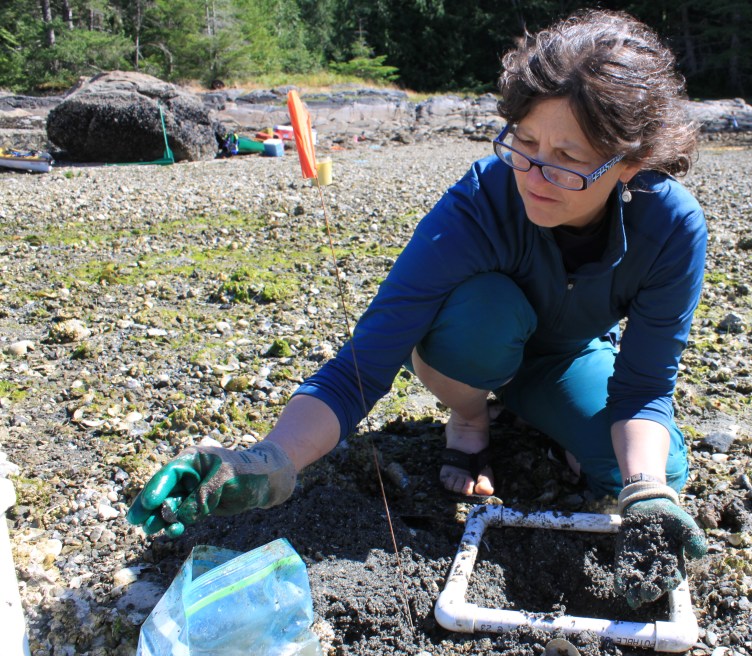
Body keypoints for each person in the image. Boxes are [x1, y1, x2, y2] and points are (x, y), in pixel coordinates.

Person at [128, 8, 708, 609]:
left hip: (565, 357)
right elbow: (364, 366)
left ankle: (547, 416)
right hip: (468, 347)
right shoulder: (481, 200)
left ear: (631, 162)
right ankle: (471, 417)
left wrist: (644, 491)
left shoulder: (671, 226)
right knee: (487, 310)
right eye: (525, 143)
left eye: (567, 158)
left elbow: (645, 388)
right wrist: (267, 461)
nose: (534, 173)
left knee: (660, 471)